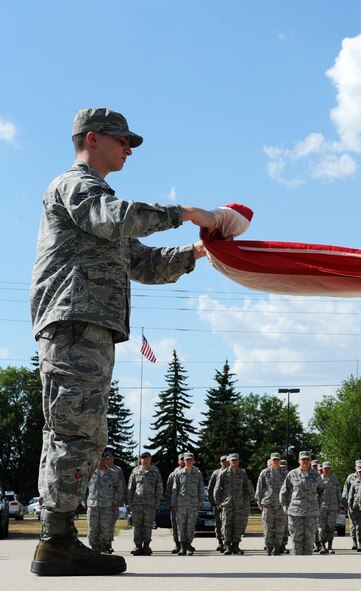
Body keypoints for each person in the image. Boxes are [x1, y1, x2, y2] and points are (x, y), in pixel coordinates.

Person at [29, 107, 218, 577]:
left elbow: (143, 262)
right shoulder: (77, 187)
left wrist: (199, 250)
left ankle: (59, 539)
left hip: (89, 326)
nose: (129, 149)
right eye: (122, 141)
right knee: (73, 430)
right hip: (74, 322)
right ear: (92, 139)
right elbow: (115, 219)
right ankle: (55, 542)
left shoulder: (101, 205)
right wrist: (186, 213)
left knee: (84, 432)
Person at [280, 451, 324, 556]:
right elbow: (284, 492)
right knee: (296, 539)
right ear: (299, 461)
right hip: (295, 513)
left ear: (310, 461)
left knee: (309, 539)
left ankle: (308, 568)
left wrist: (319, 506)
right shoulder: (292, 474)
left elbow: (322, 491)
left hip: (311, 513)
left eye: (307, 459)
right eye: (303, 459)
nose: (305, 461)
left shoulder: (316, 475)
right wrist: (285, 507)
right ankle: (297, 567)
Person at [82, 449, 125, 554]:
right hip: (92, 505)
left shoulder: (113, 474)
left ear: (106, 460)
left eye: (103, 459)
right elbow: (83, 488)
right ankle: (93, 548)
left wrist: (115, 501)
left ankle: (103, 548)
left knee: (105, 529)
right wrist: (84, 502)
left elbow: (119, 489)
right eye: (99, 459)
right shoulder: (90, 473)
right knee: (92, 529)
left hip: (107, 506)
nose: (101, 461)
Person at [214, 453, 252, 555]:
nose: (234, 462)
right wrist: (218, 502)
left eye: (236, 460)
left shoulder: (242, 474)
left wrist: (245, 501)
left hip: (239, 504)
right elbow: (217, 489)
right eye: (232, 460)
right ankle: (227, 546)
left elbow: (246, 488)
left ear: (238, 461)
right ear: (229, 461)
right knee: (226, 525)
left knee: (237, 525)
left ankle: (236, 546)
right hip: (227, 504)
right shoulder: (224, 474)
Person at [127, 451, 163, 556]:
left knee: (148, 526)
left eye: (147, 458)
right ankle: (137, 546)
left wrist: (157, 503)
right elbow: (131, 488)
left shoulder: (155, 471)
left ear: (150, 459)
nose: (145, 460)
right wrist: (129, 504)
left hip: (150, 504)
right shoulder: (135, 471)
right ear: (140, 460)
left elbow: (159, 488)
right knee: (137, 525)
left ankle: (146, 545)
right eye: (143, 459)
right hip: (137, 504)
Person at [169, 452, 204, 555]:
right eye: (186, 460)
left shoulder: (197, 473)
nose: (188, 461)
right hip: (181, 505)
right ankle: (182, 547)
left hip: (193, 505)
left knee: (190, 526)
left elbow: (201, 488)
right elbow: (175, 489)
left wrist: (200, 503)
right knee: (181, 526)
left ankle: (189, 546)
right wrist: (173, 504)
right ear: (183, 461)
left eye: (190, 460)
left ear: (193, 461)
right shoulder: (179, 473)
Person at [255, 453, 287, 555]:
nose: (276, 462)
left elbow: (289, 489)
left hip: (280, 505)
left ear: (280, 461)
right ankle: (269, 547)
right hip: (268, 504)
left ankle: (277, 548)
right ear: (271, 461)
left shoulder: (285, 473)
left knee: (280, 528)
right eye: (274, 460)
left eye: (277, 460)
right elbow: (259, 488)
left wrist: (287, 503)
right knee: (268, 528)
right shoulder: (265, 473)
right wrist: (259, 502)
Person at [342, 459, 361, 550]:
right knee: (353, 525)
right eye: (359, 466)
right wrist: (346, 505)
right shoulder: (350, 477)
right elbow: (346, 491)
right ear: (355, 467)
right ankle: (354, 541)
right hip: (353, 505)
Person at [207, 455, 229, 552]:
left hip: (227, 503)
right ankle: (220, 542)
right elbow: (211, 488)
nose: (224, 462)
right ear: (220, 462)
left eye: (226, 461)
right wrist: (214, 502)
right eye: (222, 461)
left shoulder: (231, 473)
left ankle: (228, 542)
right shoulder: (216, 473)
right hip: (217, 503)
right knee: (219, 523)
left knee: (228, 523)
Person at [318, 462, 341, 554]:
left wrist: (339, 505)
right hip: (321, 508)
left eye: (328, 468)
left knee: (331, 527)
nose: (327, 470)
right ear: (322, 469)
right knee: (322, 528)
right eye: (325, 468)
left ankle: (330, 547)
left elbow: (338, 493)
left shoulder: (334, 480)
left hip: (333, 507)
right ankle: (323, 547)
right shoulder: (318, 479)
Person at [166, 453, 185, 554]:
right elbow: (169, 490)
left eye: (184, 459)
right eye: (181, 459)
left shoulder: (193, 472)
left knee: (187, 525)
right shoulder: (173, 474)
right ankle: (177, 544)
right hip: (175, 505)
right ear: (178, 461)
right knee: (175, 525)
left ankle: (187, 544)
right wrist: (171, 504)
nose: (183, 461)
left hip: (187, 504)